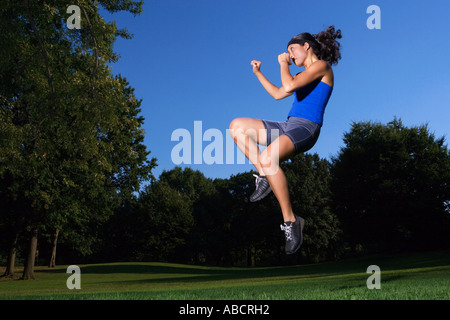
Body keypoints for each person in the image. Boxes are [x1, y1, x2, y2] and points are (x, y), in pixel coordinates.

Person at [229, 26, 342, 254]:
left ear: (306, 46)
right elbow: (279, 93)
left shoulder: (322, 67)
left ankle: (291, 221)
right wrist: (259, 73)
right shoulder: (300, 75)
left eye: (292, 50)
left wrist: (282, 64)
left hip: (306, 129)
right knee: (237, 126)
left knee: (269, 156)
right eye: (288, 52)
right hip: (288, 125)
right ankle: (263, 175)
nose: (290, 55)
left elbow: (288, 85)